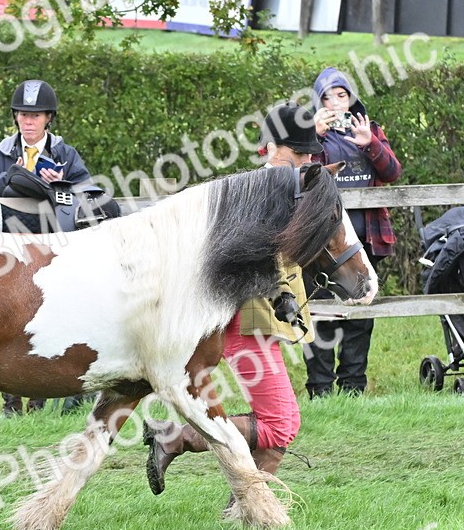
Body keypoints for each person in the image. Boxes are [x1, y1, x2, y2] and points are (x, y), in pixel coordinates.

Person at [142, 101, 320, 487]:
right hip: (251, 319)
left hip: (265, 321)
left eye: (309, 153)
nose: (304, 160)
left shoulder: (285, 190)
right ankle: (176, 438)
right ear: (271, 148)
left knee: (285, 421)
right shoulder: (256, 193)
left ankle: (246, 508)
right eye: (297, 152)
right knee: (279, 424)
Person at [0, 79, 93, 416]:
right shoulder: (0, 154)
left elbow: (88, 194)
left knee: (44, 321)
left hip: (50, 252)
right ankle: (10, 401)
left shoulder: (65, 155)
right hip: (8, 252)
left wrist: (62, 184)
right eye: (24, 114)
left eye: (36, 115)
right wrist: (11, 175)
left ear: (48, 119)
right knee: (6, 320)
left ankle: (38, 400)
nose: (29, 121)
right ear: (16, 117)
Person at [305, 67, 401, 397]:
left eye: (342, 95)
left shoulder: (370, 129)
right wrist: (312, 136)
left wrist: (371, 144)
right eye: (327, 97)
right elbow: (299, 176)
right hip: (322, 247)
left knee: (360, 316)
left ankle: (353, 390)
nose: (335, 102)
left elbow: (392, 172)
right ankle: (320, 390)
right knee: (320, 315)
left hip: (367, 240)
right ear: (318, 102)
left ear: (351, 98)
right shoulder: (307, 133)